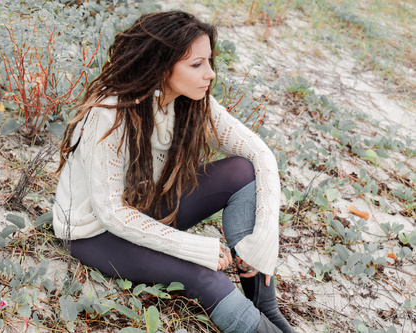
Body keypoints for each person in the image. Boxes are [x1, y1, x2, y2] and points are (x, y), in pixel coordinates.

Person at [53, 10, 294, 333]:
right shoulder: (109, 113)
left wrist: (262, 243)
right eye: (196, 65)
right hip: (93, 233)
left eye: (209, 62)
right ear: (162, 66)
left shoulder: (191, 101)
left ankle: (265, 307)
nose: (209, 74)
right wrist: (197, 248)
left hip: (145, 209)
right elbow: (110, 213)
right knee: (205, 276)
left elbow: (260, 154)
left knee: (242, 170)